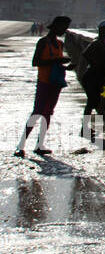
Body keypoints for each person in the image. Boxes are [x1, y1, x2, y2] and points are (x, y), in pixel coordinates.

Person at [14, 15, 72, 157]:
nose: (64, 30)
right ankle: (20, 146)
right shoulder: (43, 42)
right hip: (44, 82)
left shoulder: (59, 44)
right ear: (56, 25)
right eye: (63, 27)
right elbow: (36, 62)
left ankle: (39, 145)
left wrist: (65, 66)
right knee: (37, 112)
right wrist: (57, 60)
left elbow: (56, 64)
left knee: (47, 114)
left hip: (55, 83)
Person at [79, 19, 105, 140]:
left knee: (97, 101)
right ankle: (84, 129)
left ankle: (86, 128)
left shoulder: (102, 43)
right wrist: (96, 65)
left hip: (100, 78)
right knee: (92, 101)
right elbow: (86, 54)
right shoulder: (97, 42)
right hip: (92, 77)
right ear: (102, 29)